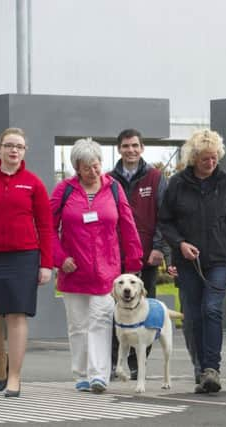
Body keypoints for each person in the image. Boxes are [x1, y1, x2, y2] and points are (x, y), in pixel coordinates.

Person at [159, 129, 226, 394]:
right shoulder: (177, 184)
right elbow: (165, 221)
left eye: (214, 158)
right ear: (194, 158)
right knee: (193, 316)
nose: (211, 163)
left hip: (220, 259)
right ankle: (199, 367)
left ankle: (212, 368)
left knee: (212, 310)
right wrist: (180, 244)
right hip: (188, 262)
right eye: (205, 159)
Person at [51, 138, 142, 394]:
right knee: (78, 325)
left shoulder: (113, 189)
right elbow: (47, 227)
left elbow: (127, 225)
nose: (95, 171)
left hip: (107, 271)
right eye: (88, 167)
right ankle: (80, 374)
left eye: (98, 164)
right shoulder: (64, 190)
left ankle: (99, 376)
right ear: (77, 167)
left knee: (101, 321)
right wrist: (59, 258)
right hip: (74, 271)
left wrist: (134, 262)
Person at [0, 128, 53, 398]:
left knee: (16, 316)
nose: (13, 150)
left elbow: (45, 226)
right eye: (9, 146)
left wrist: (46, 264)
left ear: (24, 151)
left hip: (23, 257)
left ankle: (15, 376)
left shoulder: (33, 183)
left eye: (19, 146)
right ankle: (1, 362)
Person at [109, 128, 168, 379]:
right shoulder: (109, 180)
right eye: (125, 146)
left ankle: (137, 364)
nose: (130, 150)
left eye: (134, 145)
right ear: (119, 149)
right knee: (114, 312)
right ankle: (114, 364)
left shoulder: (155, 177)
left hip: (146, 257)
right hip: (114, 257)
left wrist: (159, 247)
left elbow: (165, 215)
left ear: (142, 148)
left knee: (145, 311)